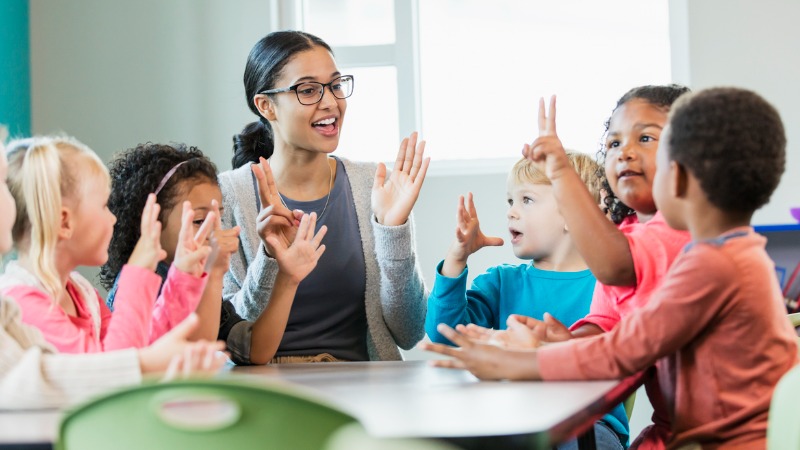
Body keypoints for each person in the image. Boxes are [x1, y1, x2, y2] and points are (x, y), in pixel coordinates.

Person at [424, 87, 800, 449]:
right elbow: (623, 341)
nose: (626, 158)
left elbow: (627, 349)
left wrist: (518, 362)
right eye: (614, 144)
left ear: (679, 176)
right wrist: (556, 345)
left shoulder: (711, 266)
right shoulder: (728, 255)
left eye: (654, 150)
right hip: (696, 432)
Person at [220, 30, 429, 362]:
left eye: (335, 85)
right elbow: (229, 340)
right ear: (266, 106)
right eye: (308, 90)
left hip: (365, 385)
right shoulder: (227, 197)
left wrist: (393, 232)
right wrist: (270, 260)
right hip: (269, 388)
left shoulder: (372, 186)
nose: (330, 102)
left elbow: (409, 332)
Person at [0, 132, 225, 410]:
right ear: (65, 222)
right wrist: (137, 272)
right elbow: (111, 378)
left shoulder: (81, 292)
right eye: (104, 205)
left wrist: (183, 275)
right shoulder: (23, 302)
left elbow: (141, 349)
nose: (113, 218)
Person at [425, 153, 629, 449]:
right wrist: (457, 258)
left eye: (527, 200)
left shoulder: (608, 286)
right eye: (510, 201)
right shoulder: (500, 281)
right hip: (510, 418)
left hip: (588, 424)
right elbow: (444, 333)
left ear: (573, 213)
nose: (511, 212)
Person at [101, 143, 327, 364]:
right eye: (199, 220)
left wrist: (288, 278)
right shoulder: (134, 289)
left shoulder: (201, 276)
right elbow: (188, 358)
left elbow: (254, 350)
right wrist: (214, 274)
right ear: (152, 222)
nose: (214, 231)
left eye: (219, 217)